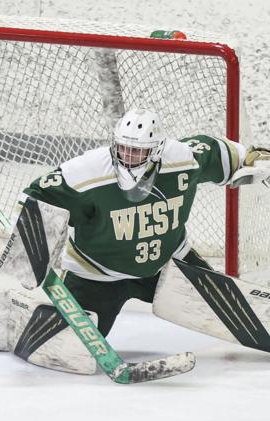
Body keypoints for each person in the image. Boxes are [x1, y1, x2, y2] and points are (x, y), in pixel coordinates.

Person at [18, 108, 246, 338]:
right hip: (96, 275)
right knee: (68, 342)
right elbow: (36, 196)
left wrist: (250, 157)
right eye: (123, 148)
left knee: (227, 311)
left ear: (157, 149)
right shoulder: (86, 172)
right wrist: (29, 241)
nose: (127, 156)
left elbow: (218, 152)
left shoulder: (181, 159)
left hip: (169, 264)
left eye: (137, 151)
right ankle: (19, 319)